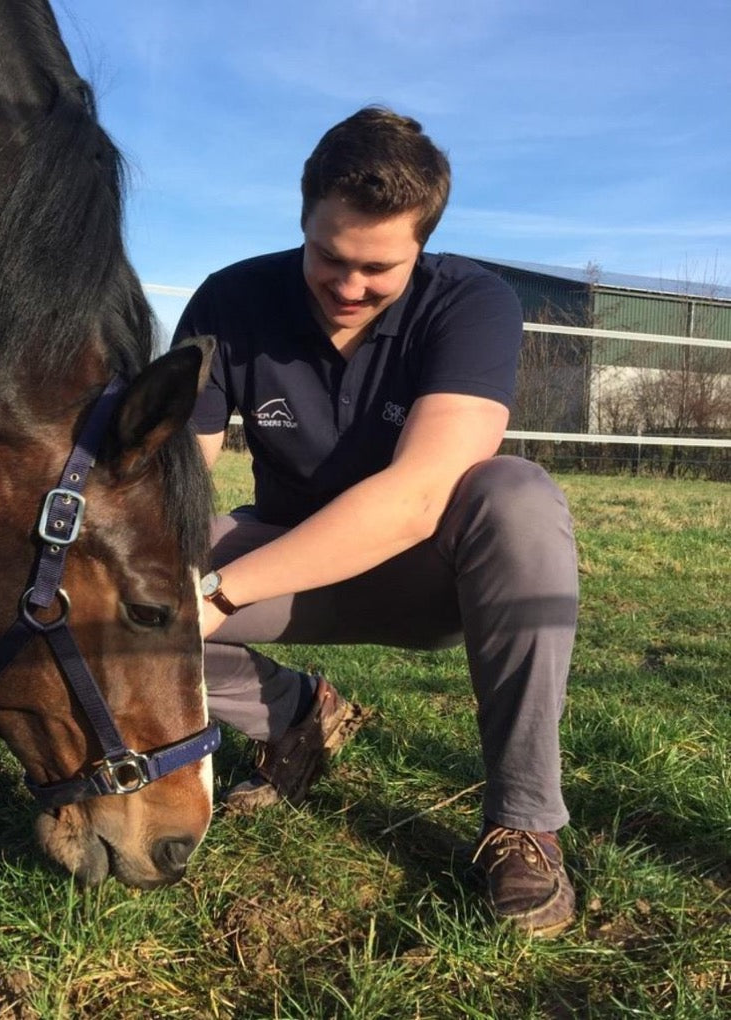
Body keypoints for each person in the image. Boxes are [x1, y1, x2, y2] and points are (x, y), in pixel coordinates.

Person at [171, 106, 579, 937]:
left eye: (379, 268)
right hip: (289, 551)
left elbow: (424, 491)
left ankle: (524, 822)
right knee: (119, 586)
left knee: (517, 497)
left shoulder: (472, 302)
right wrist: (153, 570)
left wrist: (216, 591)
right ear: (303, 217)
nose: (349, 286)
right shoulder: (232, 299)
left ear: (422, 243)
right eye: (329, 256)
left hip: (432, 574)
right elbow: (175, 472)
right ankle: (296, 717)